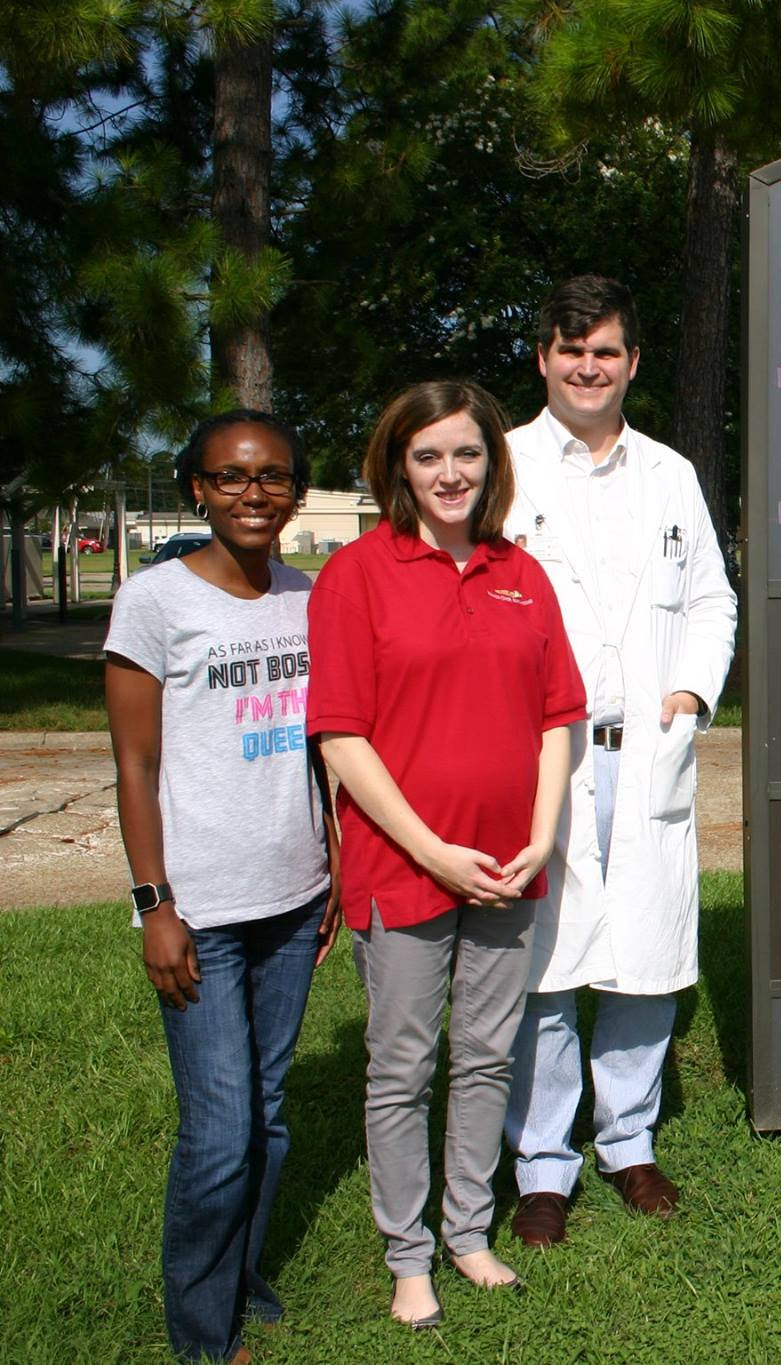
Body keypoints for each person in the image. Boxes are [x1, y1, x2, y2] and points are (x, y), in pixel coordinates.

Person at [307, 380, 586, 1328]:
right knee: (403, 1066)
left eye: (467, 452)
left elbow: (557, 718)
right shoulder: (357, 573)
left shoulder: (522, 573)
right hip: (402, 865)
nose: (450, 472)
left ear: (491, 462)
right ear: (399, 466)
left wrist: (539, 836)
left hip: (508, 866)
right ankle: (408, 1253)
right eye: (427, 455)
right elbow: (341, 736)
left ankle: (468, 1231)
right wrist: (433, 851)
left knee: (485, 1055)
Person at [496, 275, 737, 1246]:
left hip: (643, 754)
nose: (587, 367)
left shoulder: (669, 473)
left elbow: (712, 599)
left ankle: (628, 1142)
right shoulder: (501, 466)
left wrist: (689, 695)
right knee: (544, 968)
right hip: (538, 758)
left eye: (605, 351)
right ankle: (541, 1164)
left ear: (633, 362)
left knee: (643, 960)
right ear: (542, 358)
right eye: (571, 350)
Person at [105, 410, 342, 1363]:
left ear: (296, 491)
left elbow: (322, 746)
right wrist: (153, 905)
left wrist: (333, 862)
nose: (255, 493)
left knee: (268, 1118)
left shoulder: (307, 597)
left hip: (294, 897)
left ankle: (241, 1276)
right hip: (199, 909)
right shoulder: (153, 600)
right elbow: (134, 764)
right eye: (232, 477)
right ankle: (203, 1335)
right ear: (197, 489)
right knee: (219, 1131)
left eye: (274, 476)